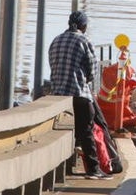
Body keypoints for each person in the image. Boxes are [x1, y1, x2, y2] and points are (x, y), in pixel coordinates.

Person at [48, 10, 112, 180]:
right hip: (79, 92)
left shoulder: (56, 40)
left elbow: (52, 65)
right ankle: (93, 169)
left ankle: (67, 161)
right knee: (87, 129)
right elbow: (92, 70)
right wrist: (85, 79)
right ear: (83, 25)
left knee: (69, 129)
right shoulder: (84, 40)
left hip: (58, 95)